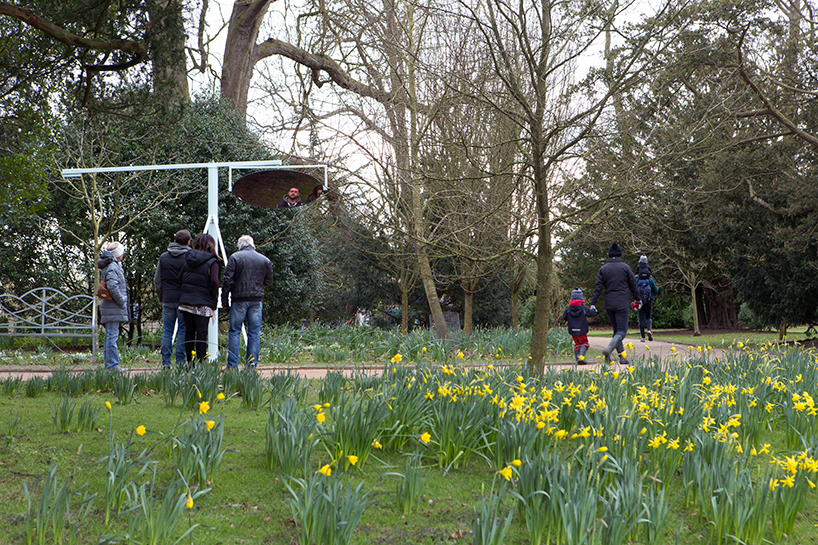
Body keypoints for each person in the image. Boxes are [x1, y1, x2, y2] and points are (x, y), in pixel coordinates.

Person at [222, 235, 273, 369]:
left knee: (234, 331)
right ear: (252, 244)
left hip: (239, 299)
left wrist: (224, 300)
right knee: (254, 333)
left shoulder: (235, 258)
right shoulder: (264, 260)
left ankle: (232, 365)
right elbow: (269, 281)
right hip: (256, 299)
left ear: (240, 245)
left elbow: (227, 281)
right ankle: (251, 366)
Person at [590, 243, 642, 365]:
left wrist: (593, 303)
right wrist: (637, 299)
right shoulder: (625, 268)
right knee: (622, 331)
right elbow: (633, 286)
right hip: (622, 302)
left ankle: (622, 358)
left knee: (616, 331)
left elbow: (598, 288)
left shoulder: (603, 269)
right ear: (620, 254)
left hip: (609, 303)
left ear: (609, 255)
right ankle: (609, 349)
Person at [178, 233, 223, 368]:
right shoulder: (213, 261)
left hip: (186, 302)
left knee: (189, 333)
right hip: (203, 303)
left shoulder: (189, 258)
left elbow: (180, 277)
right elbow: (214, 281)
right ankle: (201, 364)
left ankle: (189, 363)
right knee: (201, 334)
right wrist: (212, 295)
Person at [154, 229, 191, 369]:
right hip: (184, 299)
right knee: (183, 329)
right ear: (188, 242)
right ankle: (181, 362)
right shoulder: (190, 256)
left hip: (168, 298)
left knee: (167, 330)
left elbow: (157, 280)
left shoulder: (164, 257)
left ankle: (166, 362)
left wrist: (160, 296)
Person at [98, 242, 129, 371]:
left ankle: (109, 365)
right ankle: (113, 366)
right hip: (113, 307)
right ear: (118, 254)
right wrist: (122, 301)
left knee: (110, 336)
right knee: (112, 337)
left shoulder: (112, 265)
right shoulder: (113, 267)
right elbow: (112, 286)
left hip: (111, 308)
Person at [562, 287, 597, 364]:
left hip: (572, 329)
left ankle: (577, 360)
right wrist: (593, 309)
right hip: (582, 329)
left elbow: (564, 316)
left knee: (577, 344)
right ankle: (581, 356)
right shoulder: (583, 308)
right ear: (581, 297)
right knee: (585, 344)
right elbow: (590, 314)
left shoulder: (568, 309)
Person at [635, 255, 659, 342]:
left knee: (641, 318)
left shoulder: (637, 279)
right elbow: (656, 290)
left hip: (639, 301)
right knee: (648, 317)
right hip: (648, 300)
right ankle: (649, 330)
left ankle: (642, 337)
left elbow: (632, 291)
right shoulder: (650, 279)